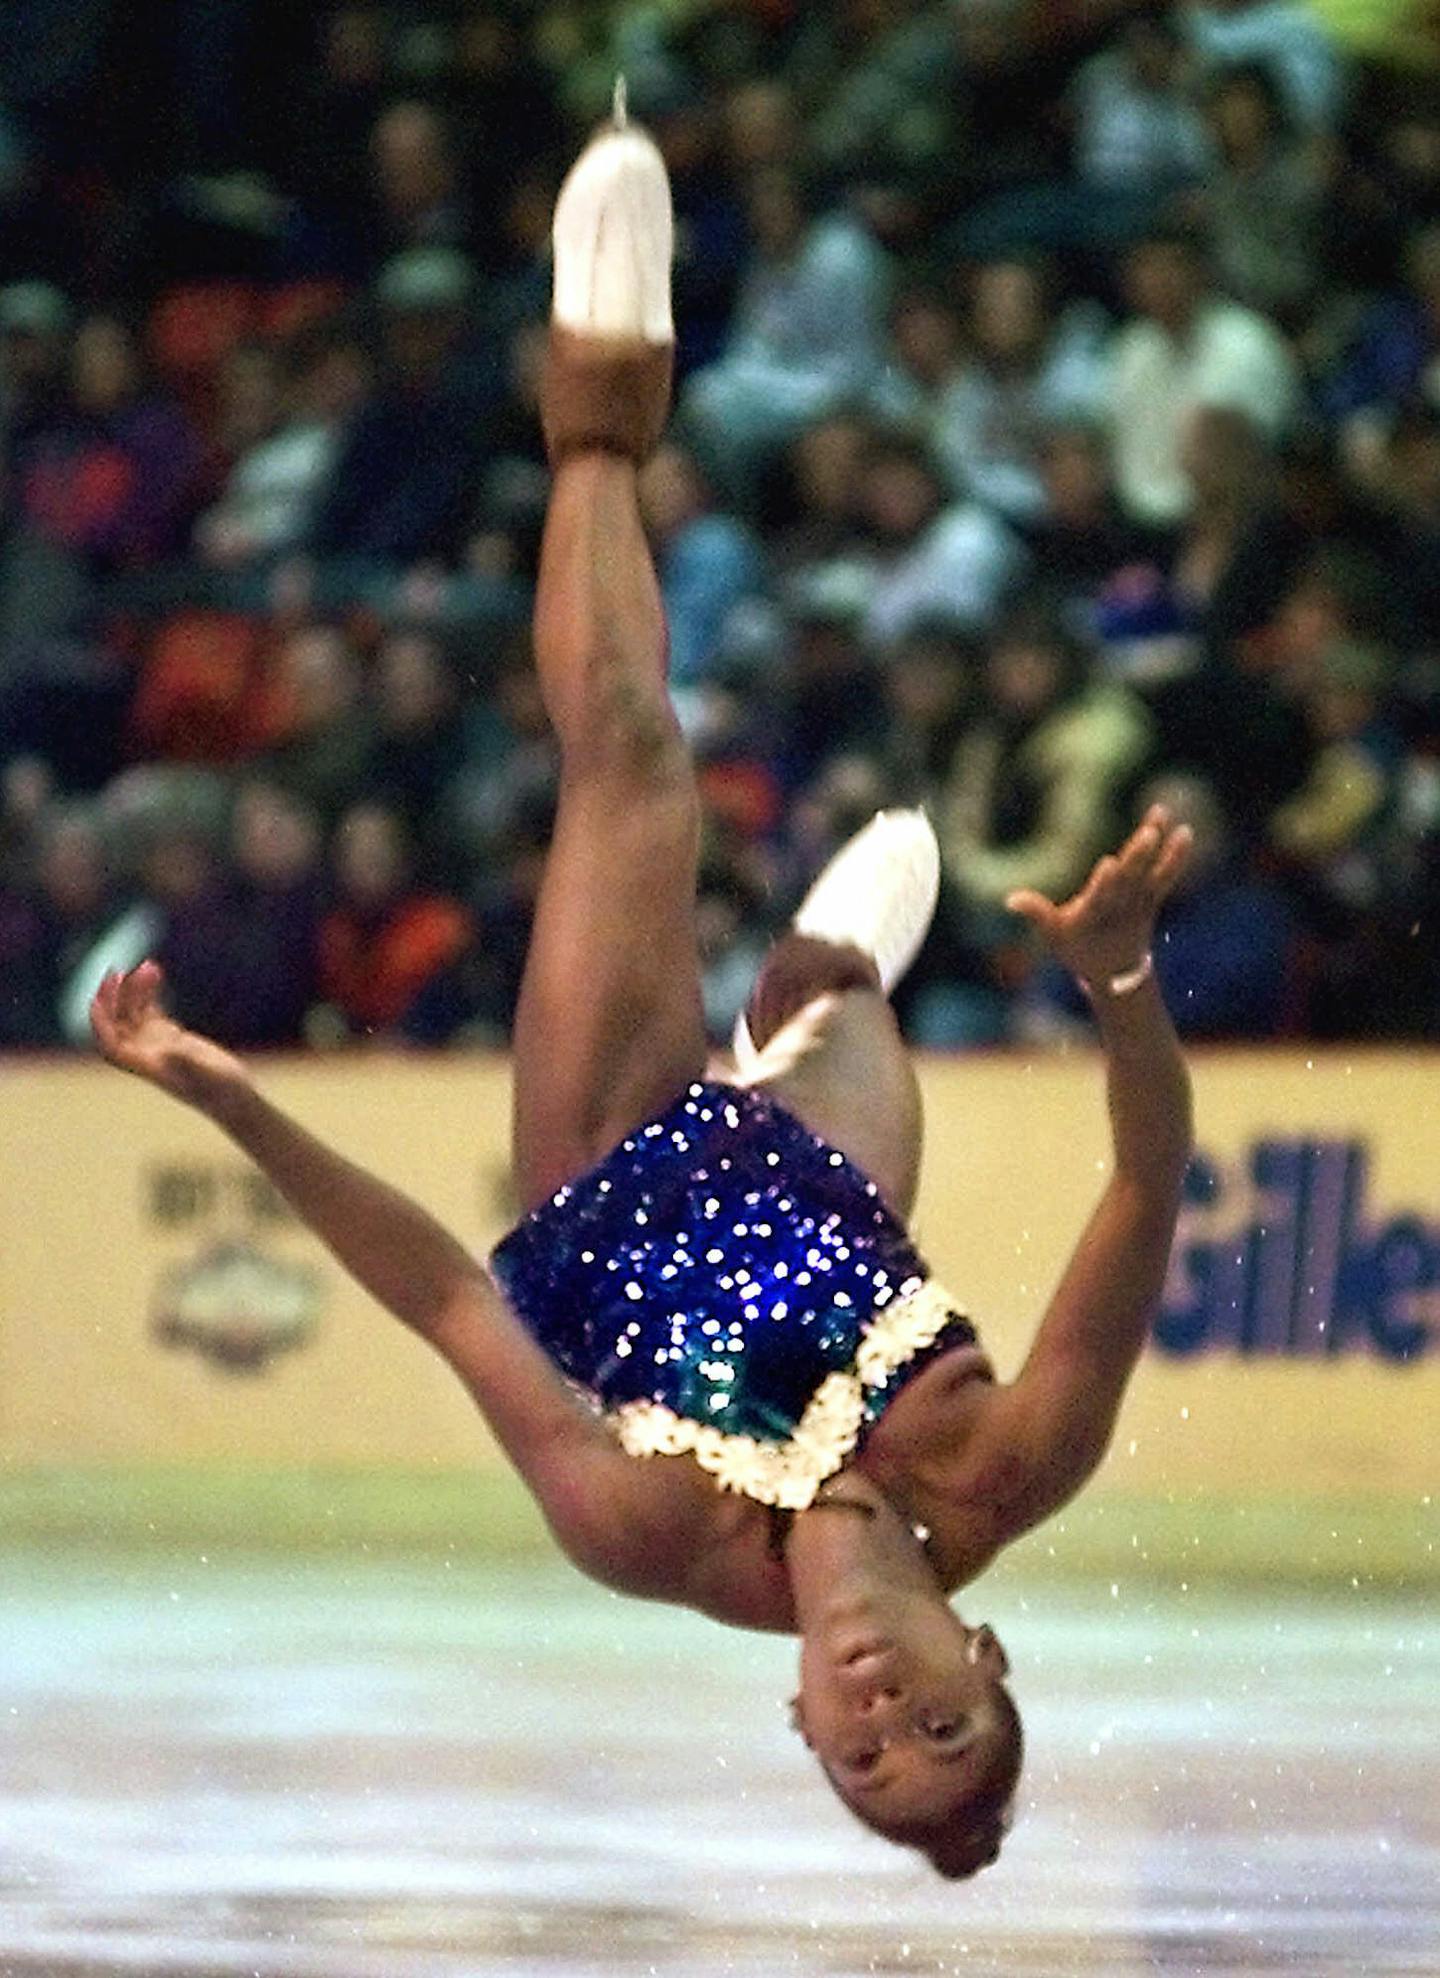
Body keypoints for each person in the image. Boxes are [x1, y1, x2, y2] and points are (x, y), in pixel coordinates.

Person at [90, 103, 1195, 1883]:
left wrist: (226, 1093)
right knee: (841, 985)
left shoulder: (644, 1529)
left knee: (633, 766)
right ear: (986, 1658)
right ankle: (817, 989)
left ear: (798, 1731)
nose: (878, 1706)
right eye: (941, 1721)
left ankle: (597, 406)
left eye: (860, 1757)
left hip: (612, 1148)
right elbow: (1148, 1182)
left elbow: (449, 1292)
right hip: (826, 1175)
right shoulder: (1011, 1461)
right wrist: (1125, 979)